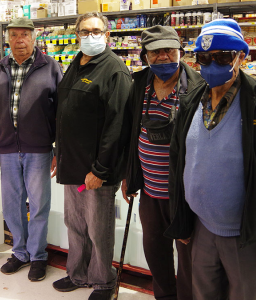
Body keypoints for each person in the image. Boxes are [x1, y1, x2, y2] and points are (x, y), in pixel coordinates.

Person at [165, 19, 256, 300]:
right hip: (200, 226)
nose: (211, 65)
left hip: (244, 233)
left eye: (222, 57)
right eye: (204, 58)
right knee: (202, 291)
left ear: (241, 57)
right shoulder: (193, 99)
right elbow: (179, 160)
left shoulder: (252, 100)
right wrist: (181, 217)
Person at [52, 12, 132, 300]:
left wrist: (100, 169)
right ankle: (77, 273)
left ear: (107, 36)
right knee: (75, 225)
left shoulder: (115, 70)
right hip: (72, 164)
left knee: (99, 229)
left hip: (96, 170)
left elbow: (117, 125)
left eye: (96, 31)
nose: (90, 36)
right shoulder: (76, 63)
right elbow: (66, 112)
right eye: (85, 31)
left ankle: (103, 281)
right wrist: (57, 152)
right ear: (76, 35)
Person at [122, 25, 204, 300]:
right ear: (145, 55)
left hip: (184, 193)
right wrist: (129, 175)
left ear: (180, 51)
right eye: (155, 52)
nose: (163, 57)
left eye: (169, 50)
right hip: (149, 191)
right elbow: (130, 131)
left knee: (189, 256)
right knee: (155, 251)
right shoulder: (138, 84)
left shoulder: (198, 88)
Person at [0, 17, 62, 282]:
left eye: (24, 35)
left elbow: (62, 113)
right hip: (6, 150)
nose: (19, 40)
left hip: (39, 150)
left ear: (34, 37)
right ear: (8, 39)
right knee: (11, 206)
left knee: (38, 205)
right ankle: (20, 252)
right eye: (14, 35)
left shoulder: (50, 67)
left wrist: (58, 150)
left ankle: (38, 255)